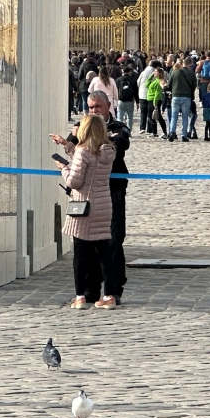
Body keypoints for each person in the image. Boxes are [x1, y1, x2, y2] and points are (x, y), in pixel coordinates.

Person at [54, 114, 117, 310]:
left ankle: (80, 296)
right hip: (103, 205)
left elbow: (75, 181)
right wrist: (69, 147)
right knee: (104, 253)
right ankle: (109, 296)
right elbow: (91, 163)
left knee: (80, 254)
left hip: (84, 207)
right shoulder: (108, 151)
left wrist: (64, 168)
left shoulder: (83, 151)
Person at [167, 59, 197, 142]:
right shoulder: (191, 73)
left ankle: (172, 132)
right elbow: (194, 85)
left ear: (182, 63)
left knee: (174, 116)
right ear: (190, 64)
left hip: (175, 96)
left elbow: (169, 85)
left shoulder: (175, 72)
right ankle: (184, 135)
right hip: (186, 97)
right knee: (185, 116)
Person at [146, 68, 167, 138]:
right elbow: (147, 84)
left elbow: (157, 93)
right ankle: (154, 132)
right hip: (150, 99)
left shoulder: (160, 81)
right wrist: (151, 76)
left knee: (158, 117)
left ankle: (165, 132)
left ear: (159, 73)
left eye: (156, 72)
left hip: (154, 100)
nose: (154, 73)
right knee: (150, 117)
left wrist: (155, 103)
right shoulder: (154, 80)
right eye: (154, 71)